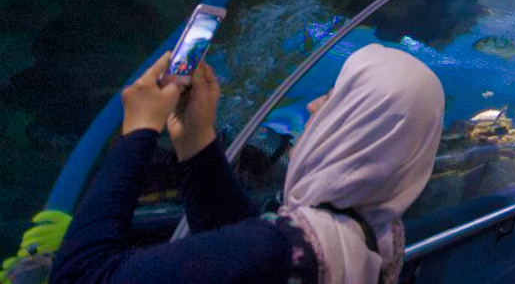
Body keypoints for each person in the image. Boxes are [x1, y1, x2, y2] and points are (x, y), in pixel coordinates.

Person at [52, 43, 444, 284]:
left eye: (333, 98)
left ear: (360, 125)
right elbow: (241, 248)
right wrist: (195, 139)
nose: (312, 106)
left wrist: (137, 131)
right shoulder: (374, 235)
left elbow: (79, 276)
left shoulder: (285, 249)